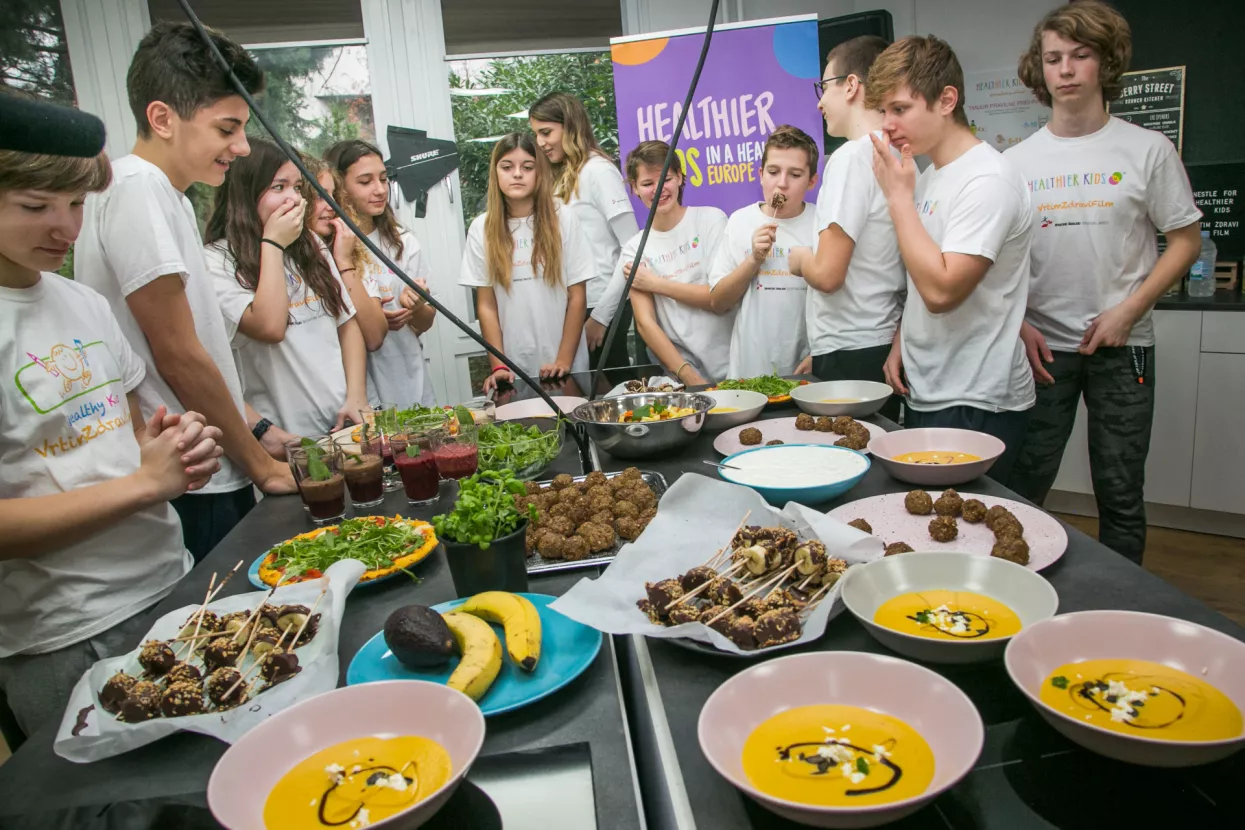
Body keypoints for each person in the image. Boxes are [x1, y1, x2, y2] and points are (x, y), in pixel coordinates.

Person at [0, 145, 222, 737]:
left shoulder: (84, 303)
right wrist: (144, 483)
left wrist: (173, 451)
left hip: (169, 586)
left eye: (75, 203)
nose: (66, 226)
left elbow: (126, 443)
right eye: (33, 205)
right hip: (68, 632)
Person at [74, 22, 296, 563]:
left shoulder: (166, 194)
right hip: (194, 477)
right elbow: (179, 353)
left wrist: (253, 428)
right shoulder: (136, 187)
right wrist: (261, 466)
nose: (241, 147)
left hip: (213, 464)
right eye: (227, 129)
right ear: (162, 118)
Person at [1004, 1, 1202, 563]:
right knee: (1024, 486)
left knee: (1119, 491)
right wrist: (1019, 324)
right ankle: (1020, 598)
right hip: (1043, 350)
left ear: (1104, 63)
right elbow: (996, 264)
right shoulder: (1015, 164)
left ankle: (1124, 609)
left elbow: (1185, 241)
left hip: (1123, 347)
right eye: (1053, 58)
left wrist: (1129, 310)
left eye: (1080, 56)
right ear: (1039, 70)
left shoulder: (1147, 150)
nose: (1065, 69)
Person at [866, 35, 1036, 482]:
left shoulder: (987, 179)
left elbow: (942, 291)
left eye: (899, 109)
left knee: (965, 535)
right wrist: (903, 338)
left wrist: (898, 200)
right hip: (931, 387)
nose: (887, 125)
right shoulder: (932, 175)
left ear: (946, 100)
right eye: (883, 111)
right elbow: (924, 267)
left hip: (976, 396)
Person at [204, 139, 370, 437]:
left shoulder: (312, 246)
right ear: (246, 191)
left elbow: (347, 323)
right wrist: (272, 244)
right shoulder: (215, 261)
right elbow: (270, 327)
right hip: (285, 436)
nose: (293, 199)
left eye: (296, 187)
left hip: (343, 422)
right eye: (279, 187)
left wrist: (356, 396)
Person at [789, 35, 905, 422]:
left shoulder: (851, 157)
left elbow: (827, 275)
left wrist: (801, 259)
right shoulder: (898, 157)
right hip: (879, 339)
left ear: (851, 85)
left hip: (851, 350)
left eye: (824, 87)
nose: (820, 102)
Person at [459, 132, 592, 393]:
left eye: (527, 167)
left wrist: (563, 361)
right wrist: (499, 366)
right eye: (507, 167)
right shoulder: (481, 228)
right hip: (514, 373)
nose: (517, 174)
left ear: (539, 173)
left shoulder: (564, 218)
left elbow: (577, 297)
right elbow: (486, 306)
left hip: (568, 369)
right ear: (495, 173)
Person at [595, 141, 732, 385]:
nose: (659, 190)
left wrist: (656, 284)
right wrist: (689, 377)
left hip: (734, 365)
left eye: (666, 179)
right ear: (634, 189)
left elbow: (718, 299)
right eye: (647, 184)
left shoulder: (711, 220)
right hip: (680, 378)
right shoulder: (635, 249)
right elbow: (645, 324)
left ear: (679, 177)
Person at [530, 92, 640, 370]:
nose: (540, 143)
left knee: (608, 393)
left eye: (546, 132)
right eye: (536, 135)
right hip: (573, 304)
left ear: (570, 127)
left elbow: (634, 247)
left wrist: (602, 316)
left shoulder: (599, 171)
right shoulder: (562, 175)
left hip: (602, 302)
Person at [326, 140, 438, 407]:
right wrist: (373, 317)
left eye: (383, 179)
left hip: (411, 380)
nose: (379, 190)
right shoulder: (330, 246)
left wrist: (418, 304)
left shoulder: (402, 241)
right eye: (365, 182)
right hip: (358, 391)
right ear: (339, 187)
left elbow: (423, 325)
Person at [709, 125, 818, 378]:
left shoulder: (822, 223)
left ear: (811, 181)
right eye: (773, 172)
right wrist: (753, 260)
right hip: (749, 371)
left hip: (805, 368)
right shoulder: (739, 221)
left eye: (795, 174)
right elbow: (718, 302)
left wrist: (819, 353)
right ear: (760, 174)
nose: (782, 183)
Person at [301, 155, 388, 355]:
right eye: (319, 196)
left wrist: (344, 261)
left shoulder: (349, 250)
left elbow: (375, 336)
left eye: (333, 195)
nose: (331, 206)